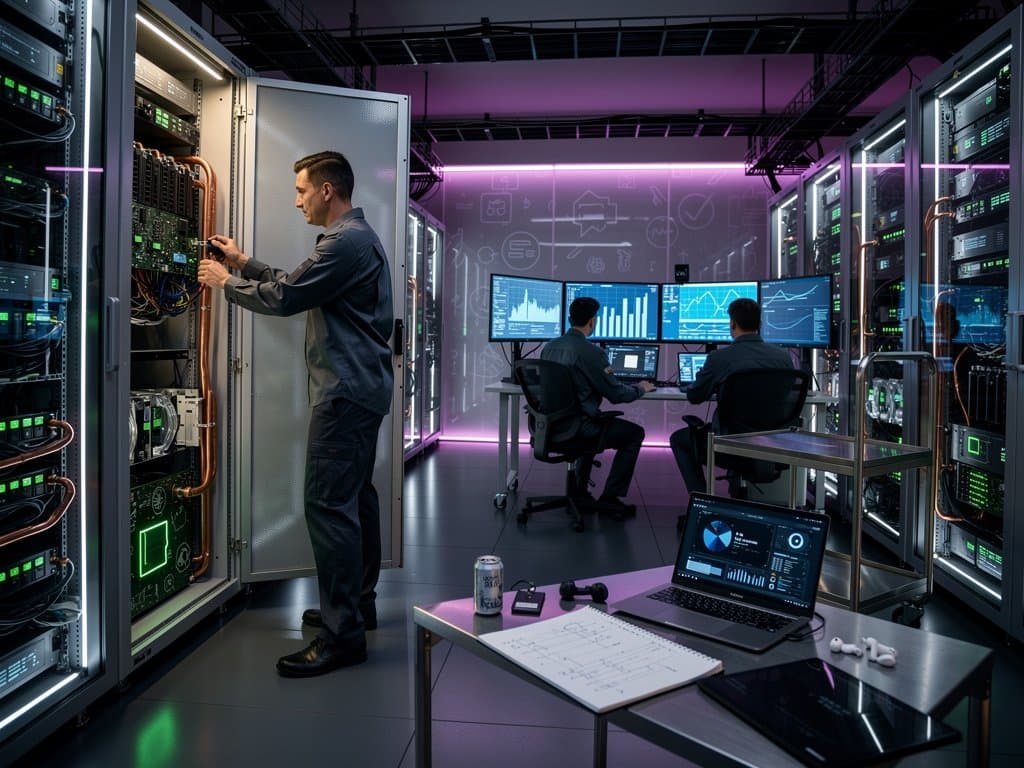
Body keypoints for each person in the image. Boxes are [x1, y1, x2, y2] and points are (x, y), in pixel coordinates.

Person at [197, 151, 393, 677]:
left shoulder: (345, 241)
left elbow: (286, 296)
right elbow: (299, 282)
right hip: (362, 390)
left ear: (327, 190)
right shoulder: (355, 240)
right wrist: (243, 263)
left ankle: (342, 635)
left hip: (344, 394)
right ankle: (357, 607)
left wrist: (224, 282)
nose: (297, 200)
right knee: (356, 500)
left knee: (328, 507)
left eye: (302, 190)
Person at [540, 296, 655, 516]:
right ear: (592, 321)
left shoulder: (549, 348)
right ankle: (610, 497)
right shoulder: (593, 353)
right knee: (633, 434)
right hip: (580, 428)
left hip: (550, 427)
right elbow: (617, 394)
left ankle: (580, 491)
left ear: (569, 319)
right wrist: (641, 388)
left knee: (590, 420)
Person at [669, 297, 794, 495]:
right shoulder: (784, 357)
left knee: (679, 439)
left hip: (729, 441)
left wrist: (707, 385)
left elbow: (695, 396)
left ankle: (701, 501)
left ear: (733, 323)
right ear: (760, 324)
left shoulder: (720, 358)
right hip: (772, 441)